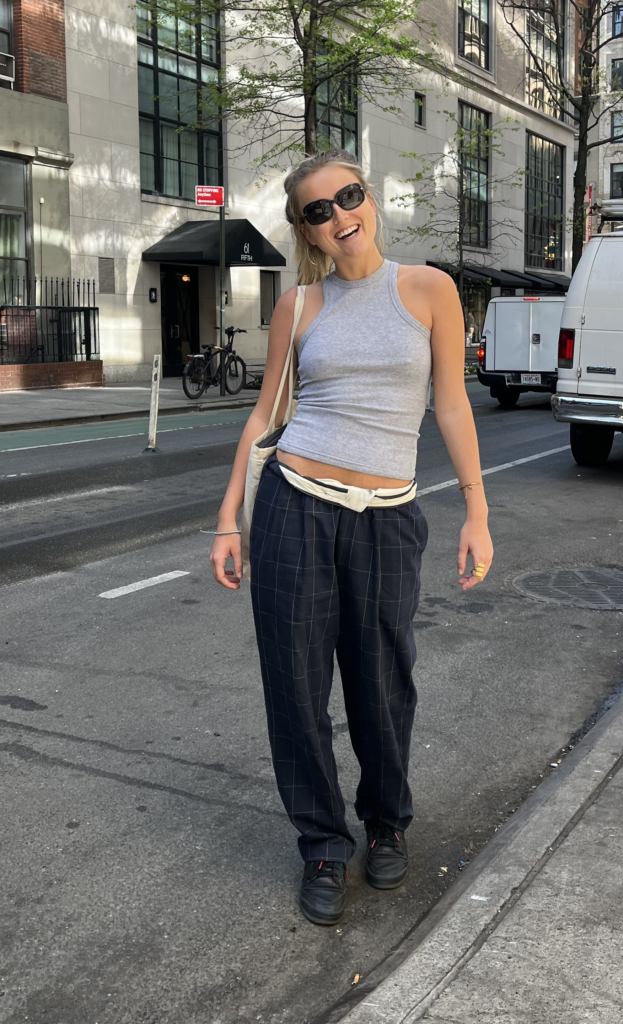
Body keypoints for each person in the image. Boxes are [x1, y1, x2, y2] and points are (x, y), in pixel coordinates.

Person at [210, 150, 493, 926]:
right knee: (296, 691)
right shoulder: (298, 307)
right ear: (307, 230)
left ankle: (387, 820)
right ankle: (324, 846)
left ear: (369, 196)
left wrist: (477, 511)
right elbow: (265, 416)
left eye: (349, 197)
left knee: (383, 683)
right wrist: (228, 516)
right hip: (293, 507)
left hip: (389, 518)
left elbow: (453, 408)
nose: (340, 216)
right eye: (319, 211)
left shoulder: (431, 290)